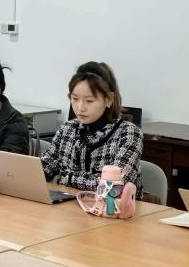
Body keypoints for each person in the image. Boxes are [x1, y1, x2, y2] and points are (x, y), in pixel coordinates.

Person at [42, 61, 142, 193]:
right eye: (75, 99)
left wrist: (68, 177)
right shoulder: (67, 129)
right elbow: (46, 168)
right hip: (70, 203)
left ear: (108, 99)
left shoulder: (128, 133)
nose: (80, 107)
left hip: (111, 205)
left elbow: (115, 186)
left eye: (89, 101)